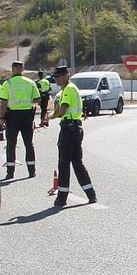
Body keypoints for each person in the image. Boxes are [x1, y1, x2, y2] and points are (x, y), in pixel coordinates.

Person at [51, 66, 97, 207]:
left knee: (64, 163)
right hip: (76, 128)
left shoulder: (68, 89)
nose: (57, 79)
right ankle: (91, 195)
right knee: (77, 163)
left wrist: (55, 110)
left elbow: (63, 111)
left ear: (66, 76)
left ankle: (62, 198)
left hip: (69, 129)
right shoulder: (71, 89)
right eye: (55, 77)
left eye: (59, 76)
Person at [0, 60, 39, 180]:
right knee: (29, 144)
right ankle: (31, 171)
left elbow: (3, 102)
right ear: (22, 69)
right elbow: (37, 99)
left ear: (12, 69)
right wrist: (31, 109)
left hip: (13, 117)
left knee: (11, 144)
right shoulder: (31, 83)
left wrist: (1, 118)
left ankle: (10, 172)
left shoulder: (8, 84)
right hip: (27, 116)